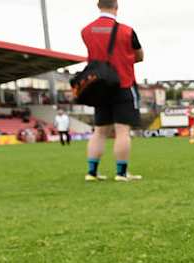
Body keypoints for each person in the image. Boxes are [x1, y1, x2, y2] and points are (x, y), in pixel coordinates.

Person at [81, 0, 143, 182]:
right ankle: (121, 173)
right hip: (123, 83)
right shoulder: (126, 31)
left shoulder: (86, 31)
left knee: (99, 131)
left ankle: (92, 172)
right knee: (122, 131)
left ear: (98, 6)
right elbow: (139, 55)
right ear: (116, 7)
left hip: (99, 87)